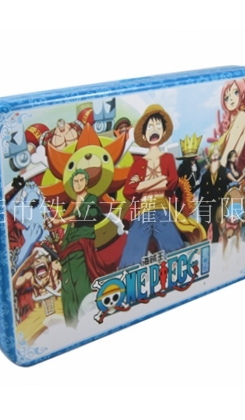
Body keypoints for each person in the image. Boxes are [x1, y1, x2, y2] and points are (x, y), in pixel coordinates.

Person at [119, 105, 204, 268]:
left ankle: (181, 272)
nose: (154, 129)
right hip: (143, 212)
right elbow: (128, 190)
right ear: (144, 133)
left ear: (164, 131)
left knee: (175, 252)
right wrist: (158, 181)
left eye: (158, 125)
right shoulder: (138, 164)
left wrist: (142, 185)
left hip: (162, 210)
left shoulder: (167, 158)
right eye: (150, 126)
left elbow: (170, 182)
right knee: (131, 257)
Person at [48, 169, 107, 327]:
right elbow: (69, 228)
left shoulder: (91, 199)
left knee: (81, 284)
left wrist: (61, 222)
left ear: (86, 182)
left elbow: (92, 214)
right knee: (68, 289)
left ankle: (88, 321)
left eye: (81, 180)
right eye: (75, 181)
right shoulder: (73, 205)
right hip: (67, 252)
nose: (78, 184)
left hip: (80, 249)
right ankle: (71, 325)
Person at [209, 79, 245, 170]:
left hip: (228, 168)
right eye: (226, 98)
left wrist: (220, 171)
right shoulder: (235, 119)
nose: (231, 99)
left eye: (235, 92)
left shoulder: (241, 117)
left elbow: (229, 150)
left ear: (242, 94)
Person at [199, 142, 228, 243]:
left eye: (217, 152)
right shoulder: (205, 175)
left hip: (219, 206)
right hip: (206, 206)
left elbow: (226, 191)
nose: (215, 154)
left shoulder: (224, 171)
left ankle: (215, 248)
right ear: (210, 155)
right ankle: (202, 247)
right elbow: (202, 194)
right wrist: (202, 209)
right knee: (203, 229)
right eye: (213, 152)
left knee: (216, 229)